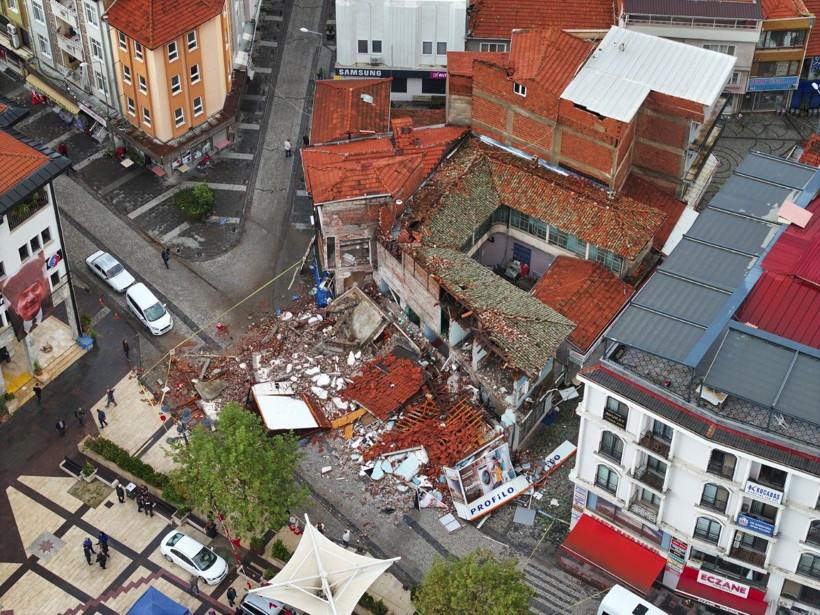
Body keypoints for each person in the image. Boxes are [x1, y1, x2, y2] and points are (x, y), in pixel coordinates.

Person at [0, 254, 55, 342]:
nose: (31, 297)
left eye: (35, 288)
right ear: (16, 309)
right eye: (24, 295)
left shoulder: (48, 306)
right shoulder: (21, 331)